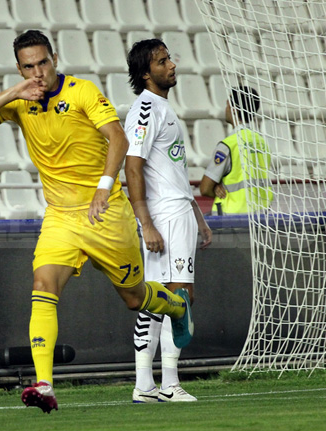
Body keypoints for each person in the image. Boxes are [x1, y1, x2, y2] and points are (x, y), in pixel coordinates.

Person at [0, 29, 194, 414]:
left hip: (105, 213)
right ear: (19, 68)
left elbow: (117, 138)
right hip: (61, 217)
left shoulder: (82, 92)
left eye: (43, 63)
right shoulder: (21, 102)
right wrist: (13, 93)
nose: (38, 72)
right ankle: (45, 385)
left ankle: (178, 307)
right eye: (29, 67)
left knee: (134, 297)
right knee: (42, 284)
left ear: (55, 58)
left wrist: (103, 187)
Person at [124, 39, 213, 404]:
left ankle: (145, 385)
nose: (172, 65)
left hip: (178, 210)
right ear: (146, 73)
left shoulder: (163, 108)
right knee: (178, 297)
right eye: (163, 61)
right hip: (164, 215)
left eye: (170, 58)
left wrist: (198, 217)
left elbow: (173, 170)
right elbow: (132, 166)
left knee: (159, 300)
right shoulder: (145, 109)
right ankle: (169, 384)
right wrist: (145, 222)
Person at [199, 86, 273, 213]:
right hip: (261, 215)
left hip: (232, 217)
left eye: (227, 104)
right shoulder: (262, 142)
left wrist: (216, 188)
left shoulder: (228, 145)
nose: (226, 109)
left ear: (233, 109)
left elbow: (205, 189)